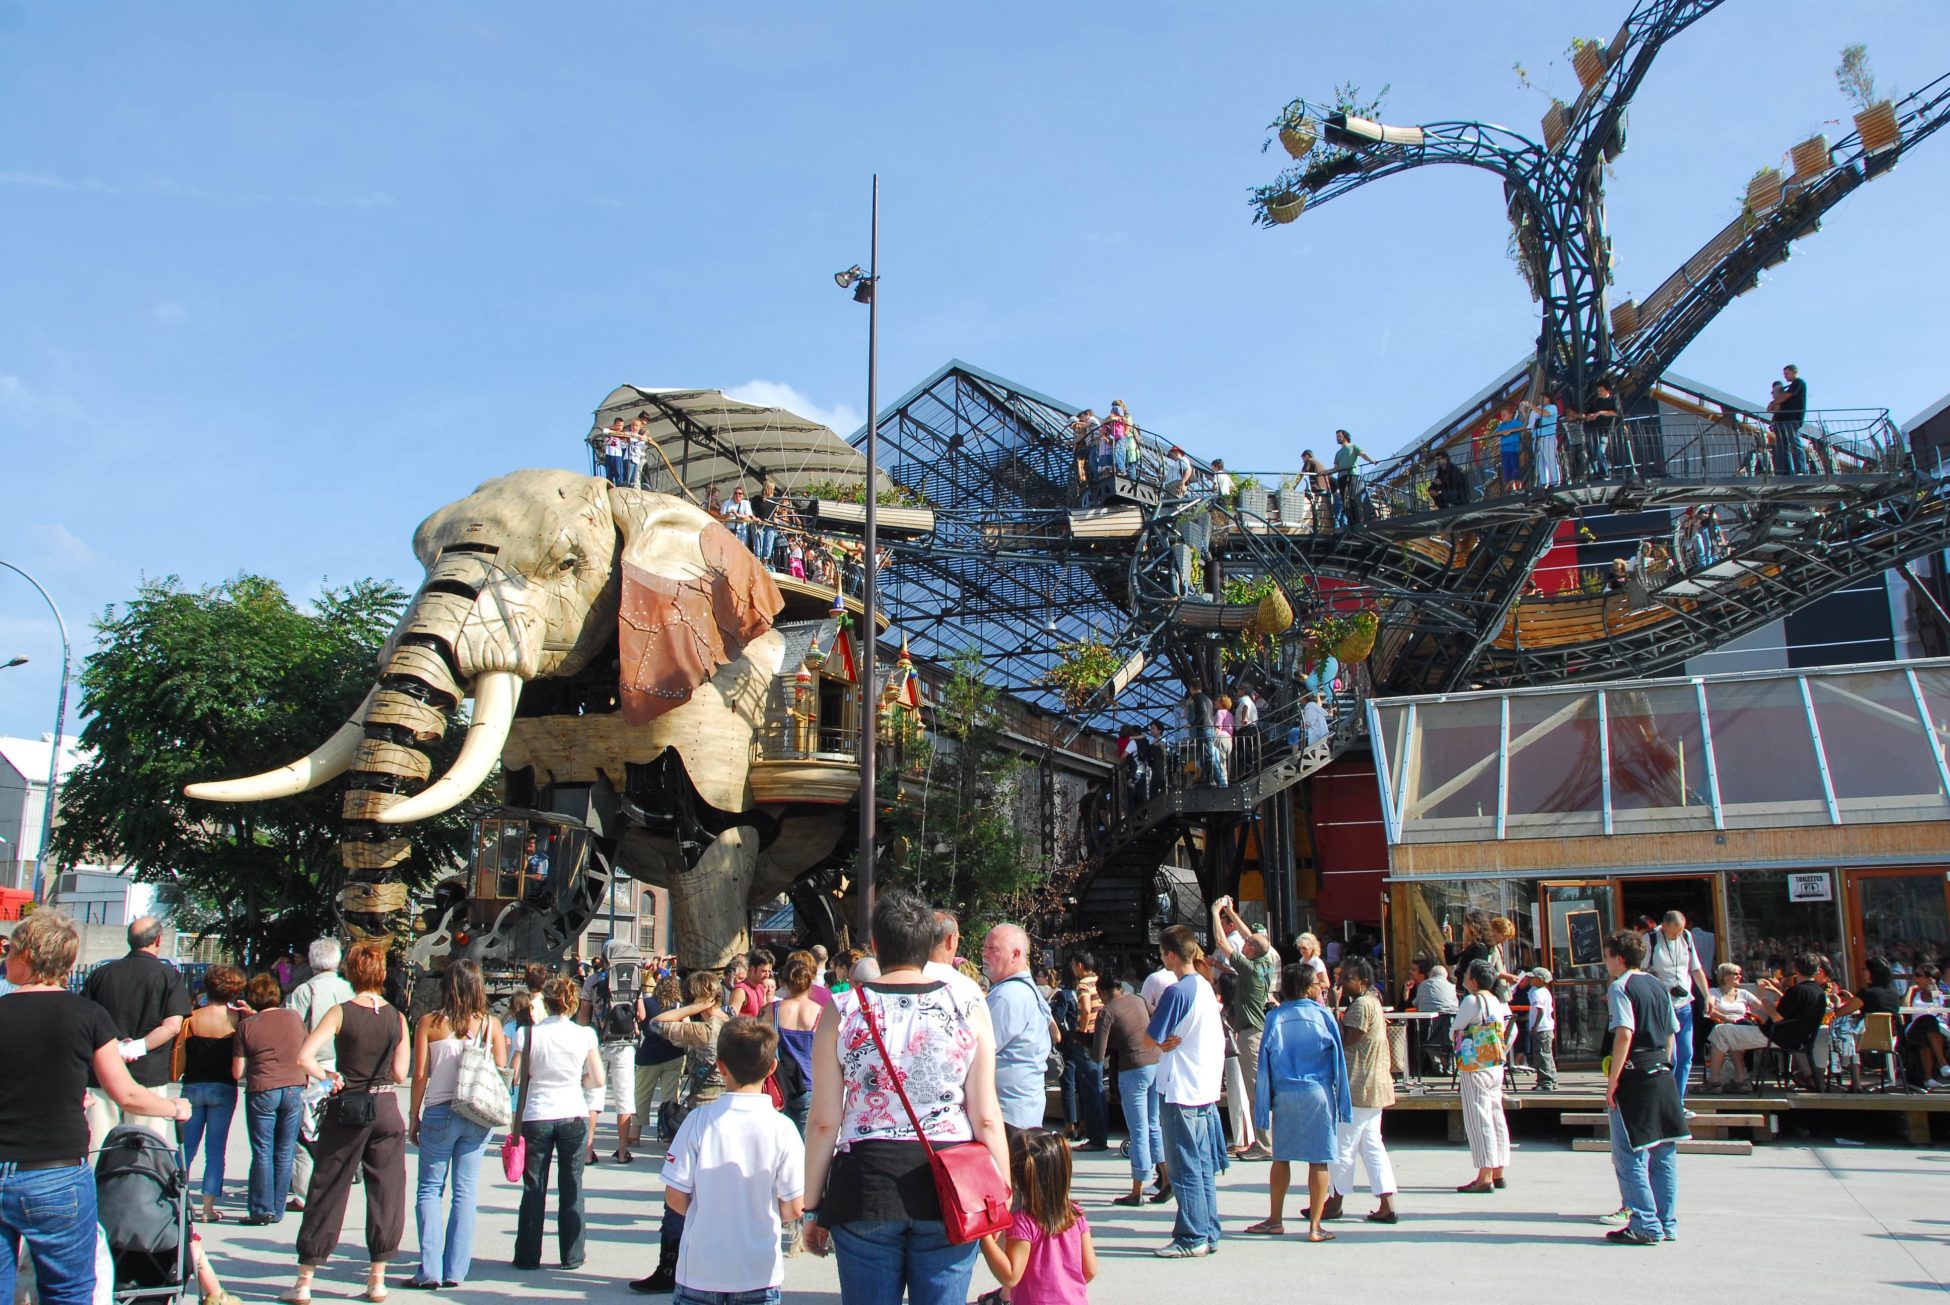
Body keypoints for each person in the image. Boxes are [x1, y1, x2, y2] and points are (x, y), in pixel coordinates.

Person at [801, 888, 1011, 1304]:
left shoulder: (842, 1009)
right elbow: (986, 1114)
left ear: (875, 945)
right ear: (930, 946)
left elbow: (824, 1119)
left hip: (865, 1180)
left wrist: (811, 1205)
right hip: (952, 1179)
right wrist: (1001, 1193)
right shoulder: (965, 1004)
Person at [0, 910, 189, 1305]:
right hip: (54, 1172)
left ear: (27, 955)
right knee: (68, 1290)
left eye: (11, 951)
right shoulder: (86, 1016)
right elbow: (127, 1094)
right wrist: (173, 1107)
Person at [642, 1016, 803, 1305]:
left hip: (701, 1267)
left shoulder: (697, 1121)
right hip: (759, 1269)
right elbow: (793, 1206)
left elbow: (675, 1197)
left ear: (721, 1066)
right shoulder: (783, 1129)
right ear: (771, 1068)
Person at [290, 941, 411, 1305]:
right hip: (386, 1107)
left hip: (349, 1107)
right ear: (382, 974)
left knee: (328, 1186)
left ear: (352, 973)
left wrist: (329, 1075)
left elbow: (304, 1056)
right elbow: (401, 1073)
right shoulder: (397, 1017)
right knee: (387, 1190)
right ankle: (377, 1279)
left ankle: (305, 1280)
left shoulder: (340, 1012)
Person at [407, 960, 509, 1290]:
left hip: (439, 1111)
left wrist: (413, 1116)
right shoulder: (491, 1025)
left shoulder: (430, 1023)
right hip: (477, 1114)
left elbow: (420, 1074)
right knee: (465, 1192)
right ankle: (456, 1269)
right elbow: (501, 1071)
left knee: (430, 1189)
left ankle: (430, 1269)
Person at [631, 970, 732, 1292]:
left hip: (701, 1109)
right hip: (727, 1110)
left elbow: (657, 1024)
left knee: (680, 1188)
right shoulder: (732, 1024)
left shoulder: (702, 1030)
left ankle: (668, 1266)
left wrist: (692, 1008)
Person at [1243, 964, 1348, 1242]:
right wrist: (1343, 1102)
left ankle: (1275, 1219)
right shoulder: (1324, 1016)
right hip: (1317, 1092)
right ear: (1306, 987)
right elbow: (1339, 1063)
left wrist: (1262, 1108)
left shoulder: (1275, 1018)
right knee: (1319, 1159)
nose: (1319, 985)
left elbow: (1264, 1066)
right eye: (1315, 982)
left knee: (1280, 1158)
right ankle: (1315, 1226)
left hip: (1285, 1093)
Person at [1144, 925, 1227, 1258]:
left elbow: (1150, 1039)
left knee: (1184, 1166)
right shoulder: (1205, 987)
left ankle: (1192, 1236)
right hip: (1203, 1085)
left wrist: (1161, 1043)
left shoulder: (1178, 992)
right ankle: (1207, 1231)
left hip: (1180, 1087)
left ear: (1171, 955)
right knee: (1202, 1164)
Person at [1601, 930, 1688, 1245]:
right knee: (1664, 1151)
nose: (1606, 962)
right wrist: (1667, 1066)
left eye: (1608, 956)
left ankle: (1644, 1223)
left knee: (1629, 1154)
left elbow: (1624, 1032)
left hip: (1634, 1074)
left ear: (1619, 958)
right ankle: (1667, 1222)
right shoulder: (1658, 985)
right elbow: (1671, 1032)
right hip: (1662, 1072)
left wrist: (1614, 1081)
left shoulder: (1620, 987)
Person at [512, 975, 603, 1273]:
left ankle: (527, 1255)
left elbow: (515, 1075)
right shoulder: (585, 1035)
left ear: (546, 1004)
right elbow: (597, 1078)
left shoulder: (528, 1034)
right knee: (572, 1185)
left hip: (537, 1112)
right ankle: (572, 1254)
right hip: (572, 1110)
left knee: (534, 1186)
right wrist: (580, 1079)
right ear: (573, 1003)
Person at [81, 915, 192, 1150]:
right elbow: (172, 1026)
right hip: (148, 1075)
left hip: (102, 1073)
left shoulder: (101, 974)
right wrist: (136, 1047)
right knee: (146, 1151)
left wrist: (117, 1047)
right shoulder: (168, 976)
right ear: (158, 940)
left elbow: (85, 1022)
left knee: (99, 1149)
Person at [976, 1128, 1096, 1305]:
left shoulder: (1023, 1221)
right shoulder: (1075, 1214)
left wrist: (984, 1236)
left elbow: (1010, 1276)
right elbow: (1090, 1270)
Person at [1324, 956, 1397, 1224]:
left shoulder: (1361, 1006)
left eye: (1347, 979)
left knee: (1343, 1145)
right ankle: (1386, 1202)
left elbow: (1344, 1040)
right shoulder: (1373, 1003)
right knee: (1372, 1146)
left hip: (1358, 1086)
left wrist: (1333, 1006)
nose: (1342, 983)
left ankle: (1335, 1200)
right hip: (1374, 1085)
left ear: (1363, 982)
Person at [286, 938, 356, 1206]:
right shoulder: (349, 989)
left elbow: (293, 1030)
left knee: (308, 1128)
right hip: (344, 1063)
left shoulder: (305, 991)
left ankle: (305, 1191)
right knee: (337, 1123)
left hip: (315, 1067)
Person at [236, 972, 309, 1225]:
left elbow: (237, 1071)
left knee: (263, 1150)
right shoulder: (294, 1018)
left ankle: (260, 1209)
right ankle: (277, 1208)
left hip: (263, 1087)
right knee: (285, 1149)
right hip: (294, 1086)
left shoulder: (246, 1026)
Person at [1093, 959, 1164, 1208]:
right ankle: (1165, 1177)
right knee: (1154, 1124)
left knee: (1138, 1130)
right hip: (1156, 1062)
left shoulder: (1107, 1012)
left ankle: (1137, 1189)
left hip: (1133, 1069)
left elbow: (1098, 1055)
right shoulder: (1138, 1000)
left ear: (1102, 993)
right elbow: (1158, 1018)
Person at [1210, 897, 1276, 1161]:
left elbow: (1221, 944)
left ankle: (1264, 1143)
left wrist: (1216, 913)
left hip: (1251, 1033)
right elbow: (1254, 938)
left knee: (1254, 1089)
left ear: (1249, 950)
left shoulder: (1247, 968)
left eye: (1247, 944)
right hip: (1260, 1030)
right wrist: (1232, 913)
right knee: (1258, 1088)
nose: (1244, 942)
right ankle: (1264, 1140)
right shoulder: (1266, 961)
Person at [180, 965, 248, 1223]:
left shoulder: (192, 1017)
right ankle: (208, 1208)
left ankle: (181, 1201)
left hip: (193, 1085)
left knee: (187, 1148)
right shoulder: (237, 1019)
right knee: (216, 1150)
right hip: (223, 1087)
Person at [981, 924, 1054, 1134]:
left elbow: (976, 1052)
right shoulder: (1025, 991)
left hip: (1007, 1117)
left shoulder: (1007, 996)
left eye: (992, 949)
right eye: (984, 948)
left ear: (1015, 954)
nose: (984, 955)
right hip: (1021, 1110)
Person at [1452, 959, 1510, 1193]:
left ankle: (1484, 1175)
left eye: (1467, 973)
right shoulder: (1496, 1001)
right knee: (1496, 1115)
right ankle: (1498, 1171)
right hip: (1495, 1063)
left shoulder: (1471, 1000)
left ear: (1473, 980)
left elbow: (1456, 1028)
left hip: (1475, 1064)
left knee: (1479, 1119)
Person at [1642, 911, 1709, 1103]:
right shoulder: (1651, 939)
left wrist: (1707, 996)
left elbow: (1696, 968)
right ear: (1663, 926)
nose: (1677, 936)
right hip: (1662, 1005)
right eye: (1673, 933)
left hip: (1684, 1002)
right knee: (1669, 1055)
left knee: (1686, 1053)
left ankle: (1678, 1101)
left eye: (1680, 932)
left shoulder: (1686, 937)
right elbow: (1642, 970)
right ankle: (1664, 1100)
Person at [764, 950, 821, 1133]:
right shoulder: (819, 1012)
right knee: (805, 1143)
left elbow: (763, 1043)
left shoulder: (773, 1010)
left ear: (785, 982)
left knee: (779, 1140)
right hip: (809, 1083)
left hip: (779, 1083)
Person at [631, 976, 686, 1151]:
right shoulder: (679, 1007)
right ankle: (669, 1135)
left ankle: (635, 1133)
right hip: (673, 1054)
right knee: (670, 1096)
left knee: (641, 1095)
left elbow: (638, 1023)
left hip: (648, 1055)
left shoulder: (647, 1003)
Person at [1703, 963, 1768, 1091]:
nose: (1740, 976)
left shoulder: (1743, 993)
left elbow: (1762, 1008)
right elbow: (1709, 1011)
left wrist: (1764, 994)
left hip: (1741, 1025)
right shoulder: (1714, 992)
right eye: (1736, 974)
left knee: (1732, 1033)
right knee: (1728, 1032)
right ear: (1726, 976)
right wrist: (1727, 1018)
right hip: (1723, 1023)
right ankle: (1740, 1077)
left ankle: (1716, 1080)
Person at [1523, 968, 1559, 1090]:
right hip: (1547, 1028)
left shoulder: (1537, 993)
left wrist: (1535, 1026)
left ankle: (1545, 1082)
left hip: (1541, 1028)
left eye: (1533, 978)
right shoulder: (1544, 991)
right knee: (1547, 1054)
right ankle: (1552, 1079)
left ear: (1541, 980)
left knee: (1541, 1055)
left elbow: (1540, 1010)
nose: (1530, 979)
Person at [1331, 429, 1375, 527]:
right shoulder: (1338, 453)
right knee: (1343, 500)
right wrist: (1325, 472)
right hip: (1341, 476)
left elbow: (1362, 454)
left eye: (1339, 436)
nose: (1337, 438)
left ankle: (1356, 520)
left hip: (1351, 474)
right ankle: (1350, 521)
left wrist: (1372, 460)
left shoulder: (1353, 446)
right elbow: (1335, 468)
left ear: (1345, 436)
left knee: (1351, 497)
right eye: (1337, 436)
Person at [1776, 364, 1809, 474]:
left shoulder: (1798, 383)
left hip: (1793, 419)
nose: (1785, 376)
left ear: (1794, 372)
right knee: (1785, 447)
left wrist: (1774, 402)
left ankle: (1801, 470)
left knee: (1795, 444)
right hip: (1786, 420)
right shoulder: (1791, 386)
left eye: (1787, 373)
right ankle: (1787, 471)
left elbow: (1787, 396)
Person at [1493, 405, 1526, 492]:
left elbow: (1523, 427)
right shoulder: (1502, 425)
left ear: (1510, 414)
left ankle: (1519, 488)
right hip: (1504, 451)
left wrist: (1511, 431)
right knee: (1507, 470)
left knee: (1515, 468)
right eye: (1502, 415)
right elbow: (1494, 434)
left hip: (1513, 449)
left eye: (1504, 414)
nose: (1503, 416)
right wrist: (1502, 432)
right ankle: (1513, 489)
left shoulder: (1514, 422)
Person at [1531, 395, 1562, 487]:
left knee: (1549, 458)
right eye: (1540, 398)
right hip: (1537, 436)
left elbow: (1545, 414)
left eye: (1543, 397)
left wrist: (1532, 406)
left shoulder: (1552, 407)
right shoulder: (1538, 409)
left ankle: (1556, 481)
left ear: (1549, 398)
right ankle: (1544, 482)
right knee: (1540, 461)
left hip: (1548, 436)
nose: (1541, 399)